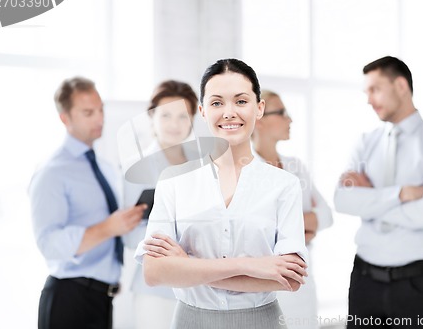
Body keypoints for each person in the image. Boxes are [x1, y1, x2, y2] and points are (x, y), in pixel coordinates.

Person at [134, 58, 309, 329]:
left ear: (259, 108)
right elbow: (155, 272)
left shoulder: (283, 185)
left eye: (241, 101)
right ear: (203, 111)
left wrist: (187, 267)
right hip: (191, 321)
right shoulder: (173, 181)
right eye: (217, 103)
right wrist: (251, 266)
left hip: (262, 321)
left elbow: (290, 279)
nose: (229, 112)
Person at [334, 56, 423, 328]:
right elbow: (342, 200)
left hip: (415, 285)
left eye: (375, 89)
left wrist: (370, 199)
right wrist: (401, 194)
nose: (369, 99)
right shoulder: (365, 142)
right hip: (364, 281)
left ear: (401, 85)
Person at [29, 77, 146, 329]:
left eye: (101, 110)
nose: (99, 118)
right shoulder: (52, 172)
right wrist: (108, 228)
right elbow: (49, 244)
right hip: (69, 298)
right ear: (65, 118)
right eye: (88, 112)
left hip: (102, 300)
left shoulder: (105, 167)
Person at [252, 90, 333, 329]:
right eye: (282, 113)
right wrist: (303, 227)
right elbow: (257, 230)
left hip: (303, 280)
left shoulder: (295, 166)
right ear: (259, 119)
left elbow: (327, 216)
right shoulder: (245, 171)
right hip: (266, 284)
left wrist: (288, 226)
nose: (290, 120)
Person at [123, 80, 198, 329]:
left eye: (182, 116)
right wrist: (174, 243)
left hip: (198, 284)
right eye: (166, 116)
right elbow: (129, 234)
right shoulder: (136, 167)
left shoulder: (204, 166)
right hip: (155, 290)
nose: (174, 125)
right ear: (152, 117)